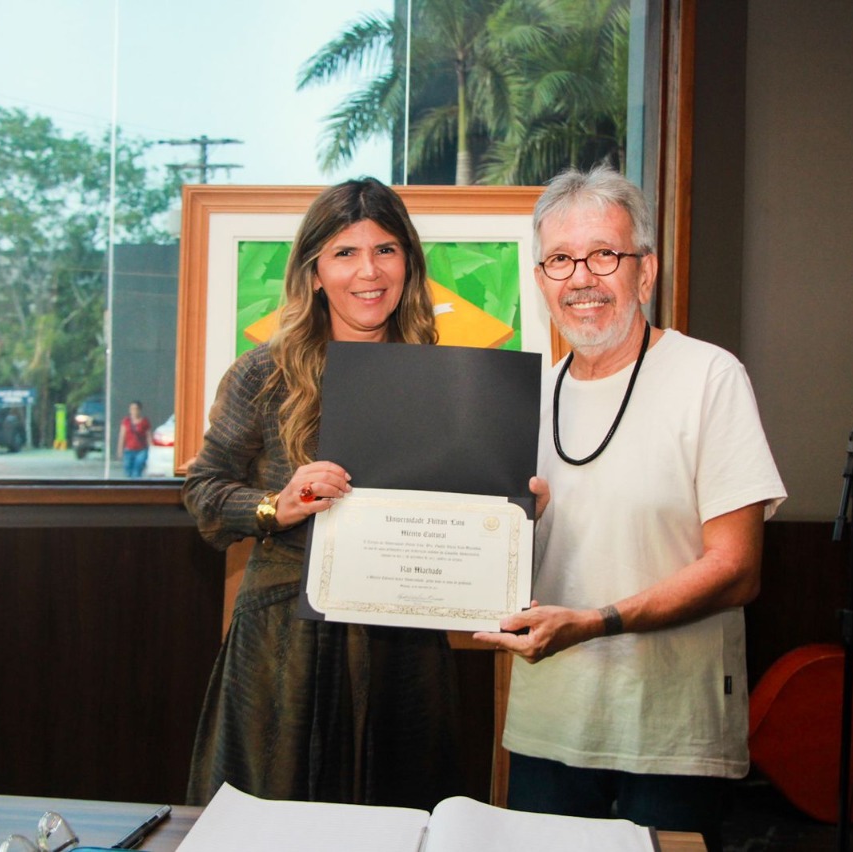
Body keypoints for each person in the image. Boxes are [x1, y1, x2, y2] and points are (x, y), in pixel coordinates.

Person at [474, 164, 786, 851]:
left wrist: (594, 622)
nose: (580, 278)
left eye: (603, 255)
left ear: (644, 273)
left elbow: (738, 570)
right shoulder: (521, 400)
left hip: (672, 737)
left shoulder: (709, 377)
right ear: (541, 278)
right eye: (559, 259)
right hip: (548, 730)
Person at [181, 177, 460, 810]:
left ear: (409, 263)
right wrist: (274, 505)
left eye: (387, 250)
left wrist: (511, 505)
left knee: (405, 816)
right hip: (289, 642)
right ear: (313, 273)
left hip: (404, 640)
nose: (369, 270)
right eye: (345, 253)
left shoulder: (445, 377)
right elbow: (203, 492)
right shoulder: (263, 371)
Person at [117, 400, 151, 478]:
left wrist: (152, 449)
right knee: (127, 471)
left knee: (137, 471)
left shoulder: (144, 421)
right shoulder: (126, 421)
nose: (134, 411)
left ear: (139, 410)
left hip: (141, 450)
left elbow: (148, 436)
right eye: (132, 409)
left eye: (136, 409)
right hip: (129, 450)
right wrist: (120, 450)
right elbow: (122, 436)